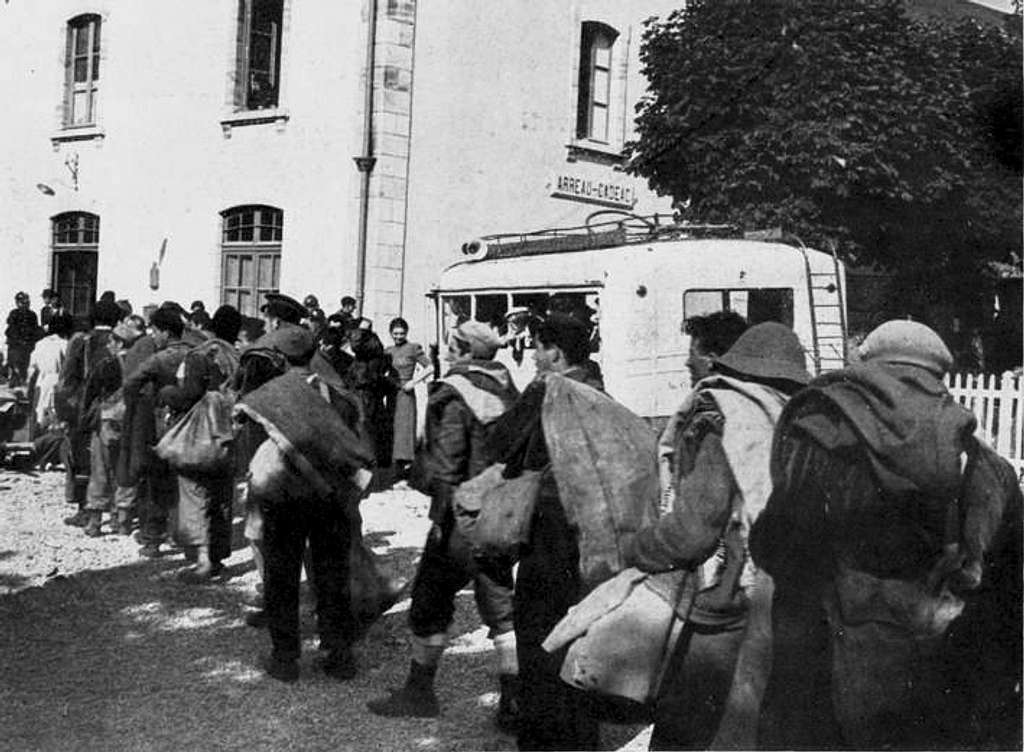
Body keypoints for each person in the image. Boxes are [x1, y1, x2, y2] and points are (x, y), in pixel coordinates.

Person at [750, 320, 1023, 749]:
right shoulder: (987, 465)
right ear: (937, 376)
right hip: (944, 678)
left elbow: (777, 546)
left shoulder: (820, 435)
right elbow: (1009, 594)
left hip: (830, 674)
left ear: (868, 367)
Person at [626, 322, 810, 750]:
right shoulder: (800, 419)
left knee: (686, 732)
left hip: (724, 609)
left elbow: (693, 532)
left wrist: (638, 548)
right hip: (784, 603)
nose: (690, 361)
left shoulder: (724, 416)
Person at [368, 320, 519, 723]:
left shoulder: (454, 393)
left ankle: (420, 693)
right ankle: (513, 704)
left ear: (463, 349)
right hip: (501, 514)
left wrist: (438, 517)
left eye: (451, 345)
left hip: (460, 518)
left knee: (429, 604)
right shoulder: (507, 387)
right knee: (503, 610)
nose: (446, 351)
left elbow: (447, 466)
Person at [485, 313, 606, 750]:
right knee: (580, 632)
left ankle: (542, 739)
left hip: (551, 528)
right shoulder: (597, 385)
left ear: (555, 351)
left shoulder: (549, 390)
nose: (534, 355)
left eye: (537, 346)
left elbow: (501, 444)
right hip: (593, 533)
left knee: (540, 633)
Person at [237, 326, 375, 682]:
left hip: (285, 498)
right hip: (332, 499)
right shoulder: (342, 398)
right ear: (313, 354)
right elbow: (352, 445)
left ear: (280, 359)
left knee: (282, 575)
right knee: (332, 574)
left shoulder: (268, 397)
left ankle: (285, 658)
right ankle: (338, 654)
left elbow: (254, 448)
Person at [159, 305, 242, 582]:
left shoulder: (201, 354)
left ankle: (203, 561)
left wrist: (167, 392)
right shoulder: (239, 356)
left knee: (194, 491)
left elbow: (189, 394)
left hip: (202, 431)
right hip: (229, 433)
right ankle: (218, 555)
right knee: (222, 496)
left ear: (212, 328)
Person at [659, 311, 748, 509]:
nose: (688, 362)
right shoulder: (752, 405)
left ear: (711, 360)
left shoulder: (706, 421)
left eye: (692, 353)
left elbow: (699, 515)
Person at [122, 306, 192, 558]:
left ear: (165, 331)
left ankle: (153, 539)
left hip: (164, 426)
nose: (154, 336)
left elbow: (130, 383)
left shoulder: (160, 358)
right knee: (183, 482)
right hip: (192, 426)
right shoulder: (196, 354)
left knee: (158, 481)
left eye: (156, 331)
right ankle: (179, 536)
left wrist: (149, 401)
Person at [59, 299, 122, 529]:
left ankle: (86, 511)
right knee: (115, 462)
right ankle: (117, 515)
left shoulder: (82, 342)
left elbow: (67, 379)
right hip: (117, 410)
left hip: (86, 410)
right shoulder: (121, 342)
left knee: (81, 460)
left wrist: (67, 411)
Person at [111, 315, 152, 535]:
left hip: (123, 414)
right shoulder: (144, 352)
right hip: (137, 413)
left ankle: (123, 517)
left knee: (124, 464)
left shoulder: (119, 360)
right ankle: (128, 515)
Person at [384, 317, 432, 481]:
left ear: (407, 333)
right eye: (395, 333)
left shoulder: (413, 348)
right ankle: (393, 467)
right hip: (392, 393)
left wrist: (414, 382)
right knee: (392, 427)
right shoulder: (388, 350)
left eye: (401, 333)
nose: (398, 336)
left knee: (404, 429)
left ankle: (406, 468)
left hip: (406, 393)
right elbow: (383, 372)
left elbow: (430, 367)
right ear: (390, 333)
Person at [29, 311, 73, 429]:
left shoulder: (40, 344)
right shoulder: (65, 344)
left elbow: (32, 366)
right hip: (58, 382)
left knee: (40, 412)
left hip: (41, 381)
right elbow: (68, 365)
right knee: (55, 415)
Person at [5, 292, 39, 385]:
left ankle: (23, 384)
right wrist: (19, 341)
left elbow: (35, 330)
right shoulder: (14, 313)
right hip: (15, 346)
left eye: (26, 302)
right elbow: (12, 330)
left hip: (27, 346)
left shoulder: (32, 315)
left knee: (25, 368)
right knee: (15, 368)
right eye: (21, 302)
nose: (24, 304)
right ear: (17, 303)